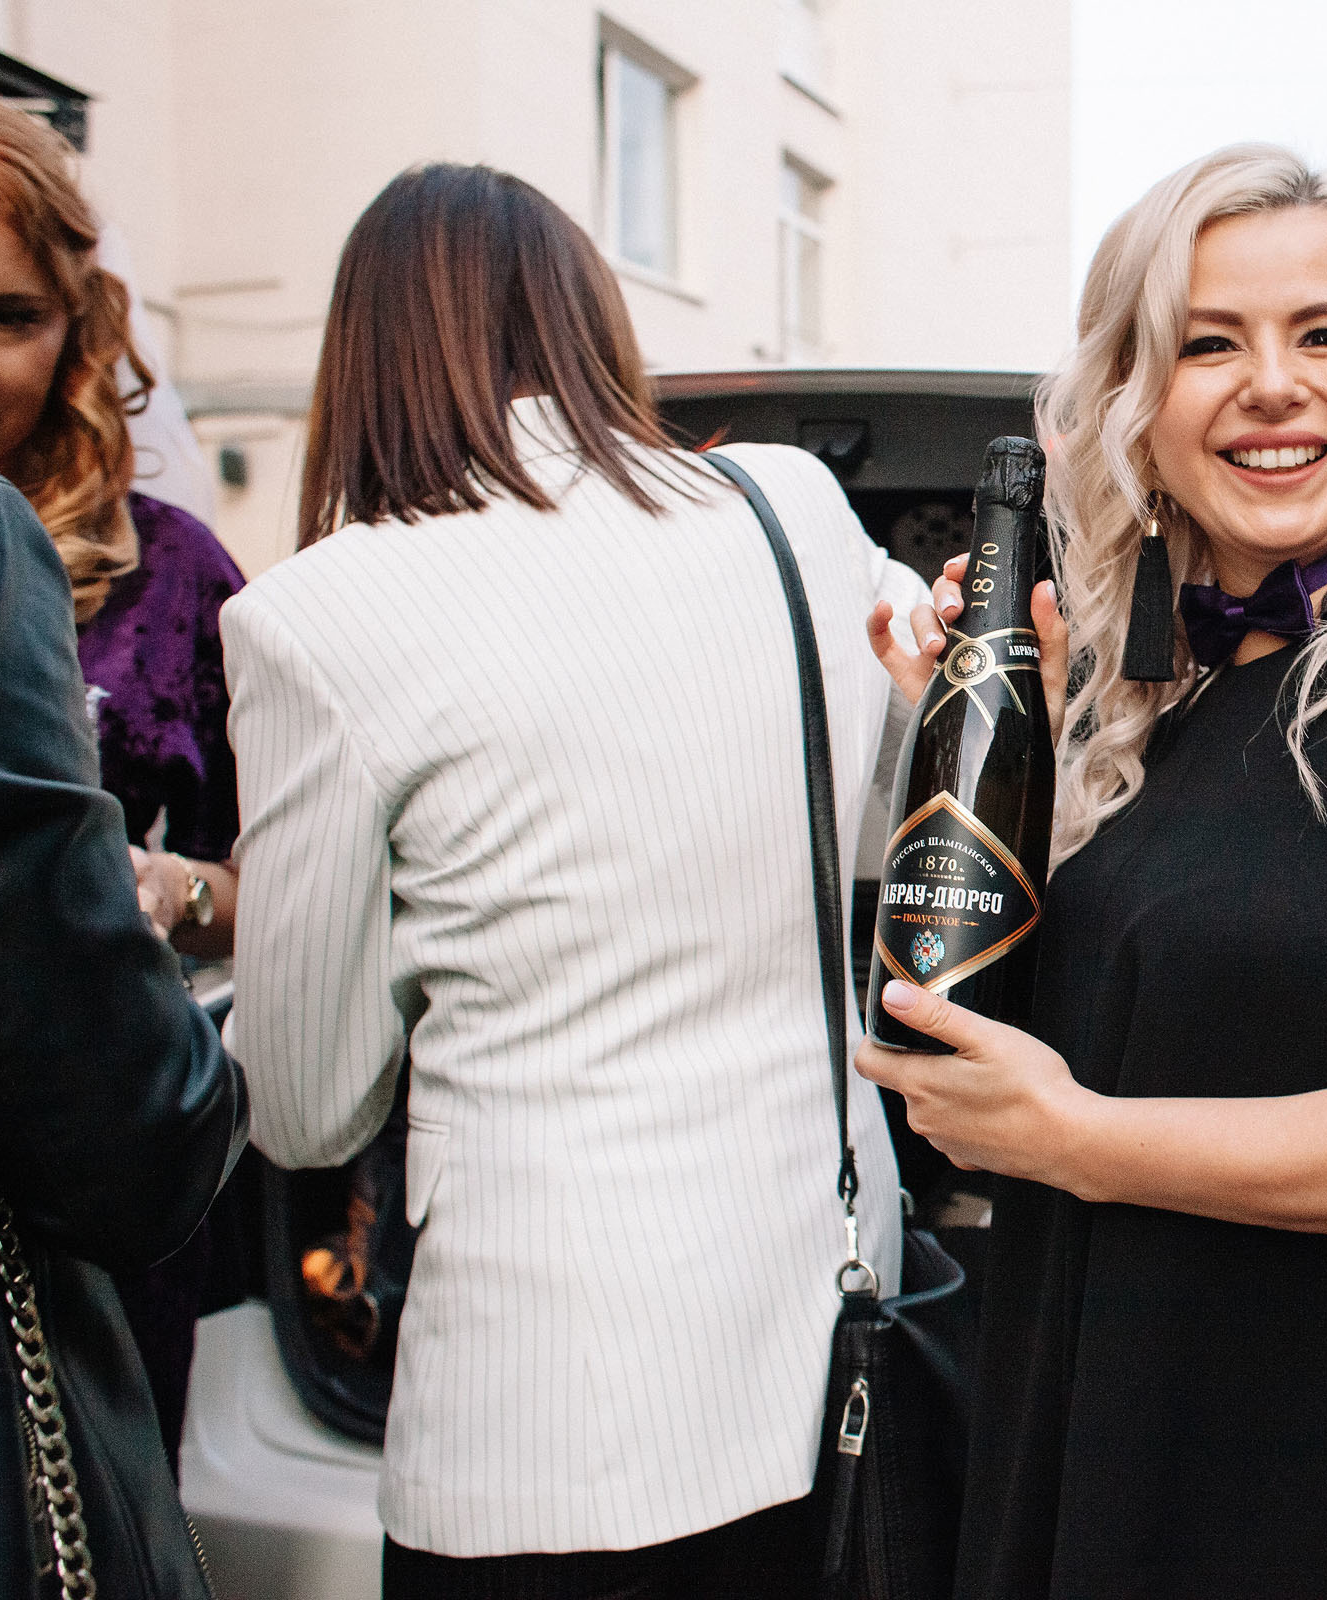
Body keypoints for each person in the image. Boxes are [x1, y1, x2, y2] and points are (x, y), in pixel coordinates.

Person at [858, 144, 1327, 1598]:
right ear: (1137, 407)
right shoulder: (1144, 705)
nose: (1271, 385)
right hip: (1092, 1443)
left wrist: (1086, 1141)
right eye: (1207, 344)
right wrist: (985, 766)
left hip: (1318, 1485)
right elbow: (1009, 1091)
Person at [223, 164, 923, 1594]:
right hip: (827, 1359)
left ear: (362, 359)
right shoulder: (792, 507)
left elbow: (302, 1105)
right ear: (592, 319)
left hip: (536, 1424)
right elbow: (904, 798)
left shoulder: (315, 616)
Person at [0, 86, 247, 1470]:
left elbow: (289, 890)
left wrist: (169, 888)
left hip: (82, 1216)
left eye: (7, 316)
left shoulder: (177, 574)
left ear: (77, 328)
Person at [0, 448, 246, 1598]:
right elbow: (133, 1136)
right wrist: (202, 1080)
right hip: (14, 1253)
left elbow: (268, 870)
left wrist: (177, 889)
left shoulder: (177, 571)